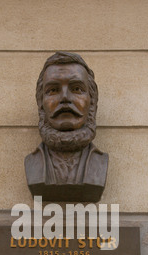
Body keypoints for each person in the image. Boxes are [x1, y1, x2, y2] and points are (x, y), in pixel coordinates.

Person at [25, 52, 108, 202]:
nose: (64, 98)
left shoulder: (100, 163)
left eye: (76, 89)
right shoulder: (32, 163)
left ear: (92, 103)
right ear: (41, 104)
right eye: (53, 90)